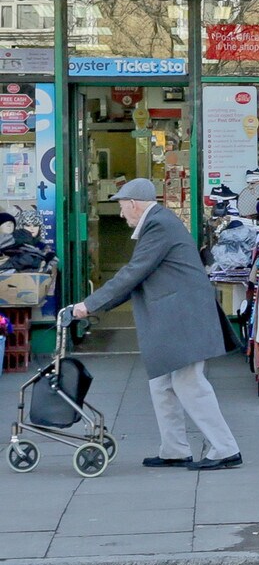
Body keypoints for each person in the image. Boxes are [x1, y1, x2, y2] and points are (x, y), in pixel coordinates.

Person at [68, 178, 242, 468]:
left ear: (134, 204)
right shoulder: (158, 222)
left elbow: (134, 272)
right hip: (177, 315)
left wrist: (89, 305)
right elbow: (137, 275)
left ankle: (226, 449)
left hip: (183, 317)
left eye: (123, 207)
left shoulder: (158, 225)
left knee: (190, 383)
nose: (122, 214)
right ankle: (174, 449)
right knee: (161, 384)